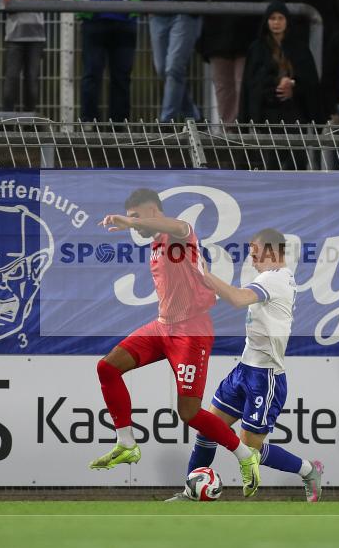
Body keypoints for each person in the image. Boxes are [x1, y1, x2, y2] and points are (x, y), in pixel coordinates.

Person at [90, 188, 263, 498]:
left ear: (153, 211)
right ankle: (126, 443)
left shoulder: (180, 233)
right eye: (130, 218)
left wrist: (131, 223)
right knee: (107, 368)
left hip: (191, 330)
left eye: (136, 216)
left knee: (189, 412)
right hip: (162, 327)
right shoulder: (156, 243)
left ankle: (244, 455)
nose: (134, 223)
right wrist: (135, 223)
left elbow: (179, 226)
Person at [166, 228, 324, 503]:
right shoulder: (271, 277)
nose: (252, 259)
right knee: (208, 430)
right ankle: (190, 493)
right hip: (244, 370)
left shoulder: (276, 278)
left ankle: (309, 470)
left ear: (272, 251)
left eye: (255, 253)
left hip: (265, 377)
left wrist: (205, 274)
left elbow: (238, 299)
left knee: (250, 450)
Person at [141, 0, 218, 122]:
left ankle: (166, 121)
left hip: (186, 11)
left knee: (174, 67)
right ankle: (193, 116)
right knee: (163, 68)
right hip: (157, 11)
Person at [198, 0, 268, 124]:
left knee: (242, 83)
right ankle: (229, 129)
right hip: (217, 35)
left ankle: (241, 127)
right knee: (223, 85)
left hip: (246, 35)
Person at [74, 0, 144, 123]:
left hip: (126, 17)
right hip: (93, 18)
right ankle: (89, 124)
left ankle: (118, 127)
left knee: (122, 77)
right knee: (92, 74)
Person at [238, 1, 321, 127]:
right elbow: (251, 82)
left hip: (295, 113)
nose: (276, 22)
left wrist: (292, 85)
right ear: (267, 21)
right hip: (266, 114)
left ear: (287, 21)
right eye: (272, 18)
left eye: (280, 18)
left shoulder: (300, 49)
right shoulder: (257, 49)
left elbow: (310, 81)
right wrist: (277, 82)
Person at [3, 0, 55, 114]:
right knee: (11, 80)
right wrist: (10, 0)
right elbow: (2, 5)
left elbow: (55, 1)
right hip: (14, 38)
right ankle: (6, 121)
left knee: (32, 81)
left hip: (36, 38)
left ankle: (29, 120)